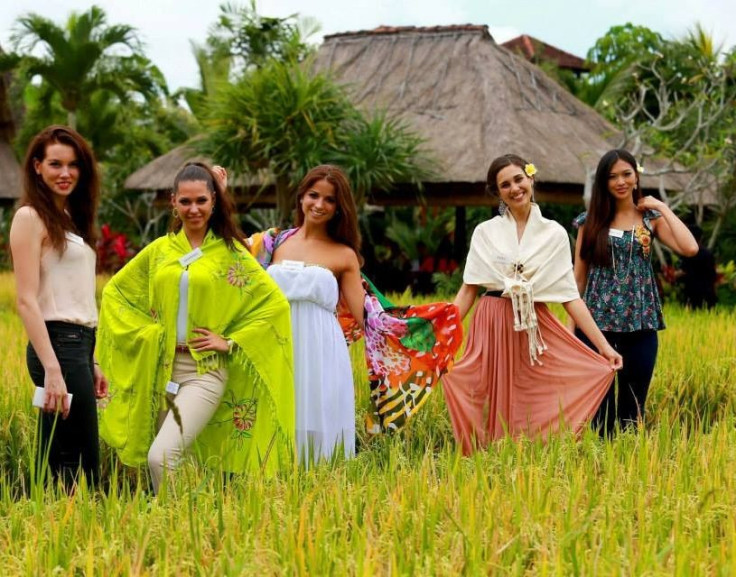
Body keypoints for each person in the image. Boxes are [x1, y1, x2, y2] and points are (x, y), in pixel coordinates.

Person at [97, 162, 294, 493]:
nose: (193, 209)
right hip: (161, 367)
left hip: (204, 370)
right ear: (173, 201)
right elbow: (117, 292)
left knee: (161, 457)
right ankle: (185, 533)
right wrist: (150, 332)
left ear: (214, 202)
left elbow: (273, 305)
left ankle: (173, 527)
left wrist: (230, 342)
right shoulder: (160, 251)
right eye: (185, 201)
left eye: (201, 200)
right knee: (178, 462)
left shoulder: (230, 253)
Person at [245, 164, 463, 462]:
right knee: (273, 420)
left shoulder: (344, 255)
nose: (319, 204)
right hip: (275, 343)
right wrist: (217, 188)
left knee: (316, 426)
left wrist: (421, 325)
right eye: (313, 195)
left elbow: (368, 318)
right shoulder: (271, 243)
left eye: (329, 200)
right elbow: (223, 252)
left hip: (322, 348)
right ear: (301, 197)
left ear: (339, 208)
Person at [443, 154, 622, 455]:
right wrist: (441, 335)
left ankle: (528, 459)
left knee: (536, 392)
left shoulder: (553, 234)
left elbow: (570, 297)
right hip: (492, 322)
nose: (514, 188)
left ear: (530, 178)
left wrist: (604, 348)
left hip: (532, 327)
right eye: (505, 185)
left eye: (518, 179)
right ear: (497, 193)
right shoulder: (485, 232)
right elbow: (467, 291)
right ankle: (484, 461)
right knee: (481, 388)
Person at [9, 125, 108, 488]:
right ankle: (65, 531)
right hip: (56, 346)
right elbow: (25, 299)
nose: (65, 173)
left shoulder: (71, 222)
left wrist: (92, 360)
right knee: (79, 459)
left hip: (78, 347)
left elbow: (78, 297)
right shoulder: (30, 218)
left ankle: (51, 526)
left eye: (73, 165)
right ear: (37, 167)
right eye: (55, 164)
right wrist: (53, 368)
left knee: (67, 453)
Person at [573, 149, 698, 434]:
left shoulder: (650, 219)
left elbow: (690, 248)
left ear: (636, 176)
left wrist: (662, 207)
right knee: (598, 413)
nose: (620, 181)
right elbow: (577, 281)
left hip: (640, 322)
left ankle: (626, 471)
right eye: (612, 176)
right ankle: (599, 471)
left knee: (632, 410)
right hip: (595, 325)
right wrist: (571, 332)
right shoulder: (588, 222)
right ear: (603, 182)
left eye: (626, 174)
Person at [677, 225, 717, 309]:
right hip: (708, 291)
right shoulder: (708, 254)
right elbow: (713, 274)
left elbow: (684, 271)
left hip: (692, 292)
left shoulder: (687, 254)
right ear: (701, 237)